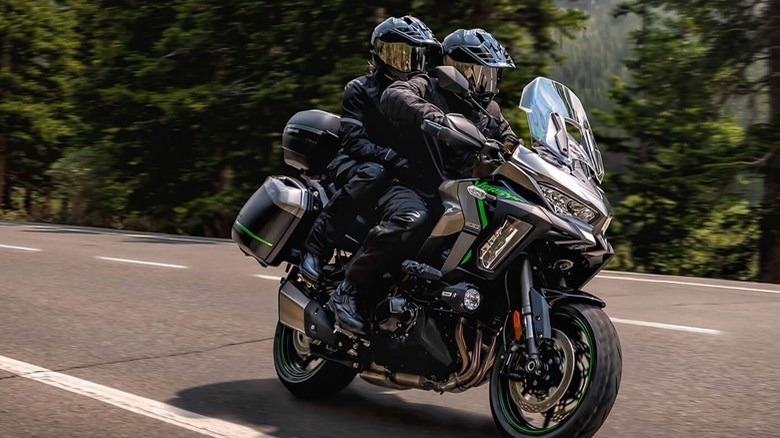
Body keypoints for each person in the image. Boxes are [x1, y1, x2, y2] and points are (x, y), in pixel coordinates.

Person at [326, 28, 523, 335]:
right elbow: (395, 95)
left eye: (492, 76)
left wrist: (520, 152)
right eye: (482, 73)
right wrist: (435, 117)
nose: (489, 83)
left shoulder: (488, 110)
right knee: (410, 218)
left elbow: (511, 140)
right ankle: (347, 293)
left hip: (458, 192)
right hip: (412, 183)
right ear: (458, 70)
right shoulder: (428, 86)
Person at [299, 16, 441, 295]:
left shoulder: (422, 94)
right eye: (398, 53)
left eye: (414, 54)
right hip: (353, 162)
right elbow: (354, 141)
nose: (406, 62)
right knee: (374, 173)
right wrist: (391, 157)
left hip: (396, 170)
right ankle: (315, 249)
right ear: (380, 54)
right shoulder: (359, 89)